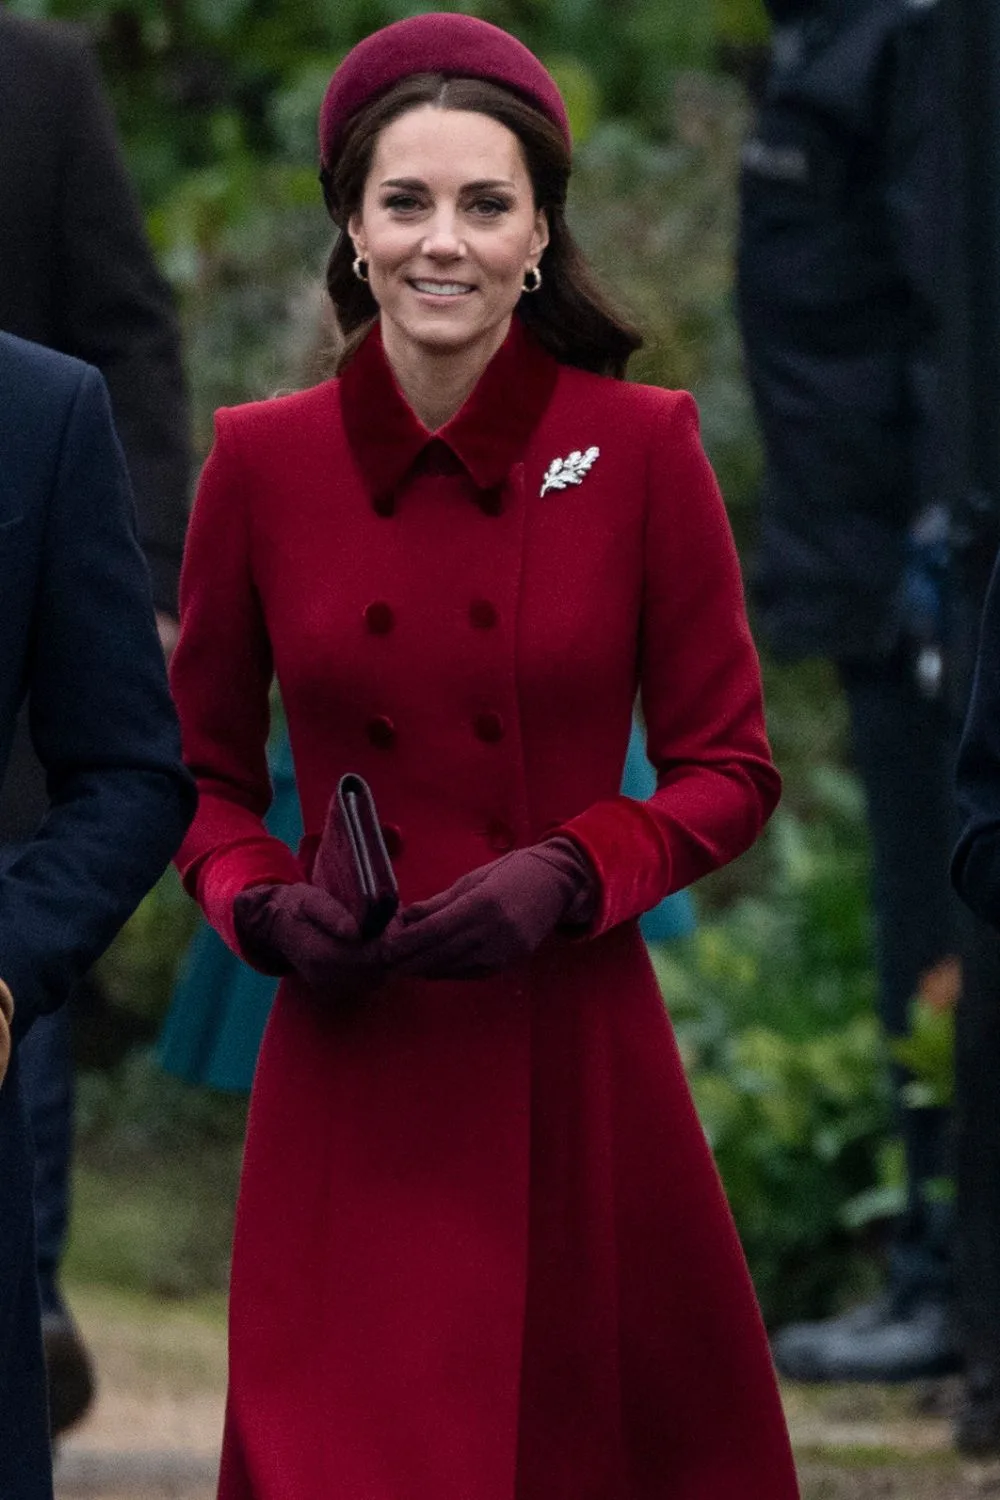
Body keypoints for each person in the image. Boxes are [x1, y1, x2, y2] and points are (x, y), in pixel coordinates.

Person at [170, 15, 798, 1497]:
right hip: (351, 1062)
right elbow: (193, 778)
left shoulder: (642, 447)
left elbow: (730, 764)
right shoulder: (258, 462)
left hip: (574, 1056)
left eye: (485, 204)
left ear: (538, 238)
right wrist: (260, 902)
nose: (441, 241)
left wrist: (578, 870)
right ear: (351, 227)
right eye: (406, 203)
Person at [735, 0, 955, 1382]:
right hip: (870, 572)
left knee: (939, 921)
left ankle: (948, 1271)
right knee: (909, 922)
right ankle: (934, 1256)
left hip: (930, 579)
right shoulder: (826, 36)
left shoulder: (917, 42)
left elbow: (954, 308)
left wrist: (945, 544)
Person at [0, 8, 192, 1431]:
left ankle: (39, 1276)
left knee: (21, 941)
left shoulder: (40, 74)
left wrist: (152, 569)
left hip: (31, 540)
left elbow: (125, 318)